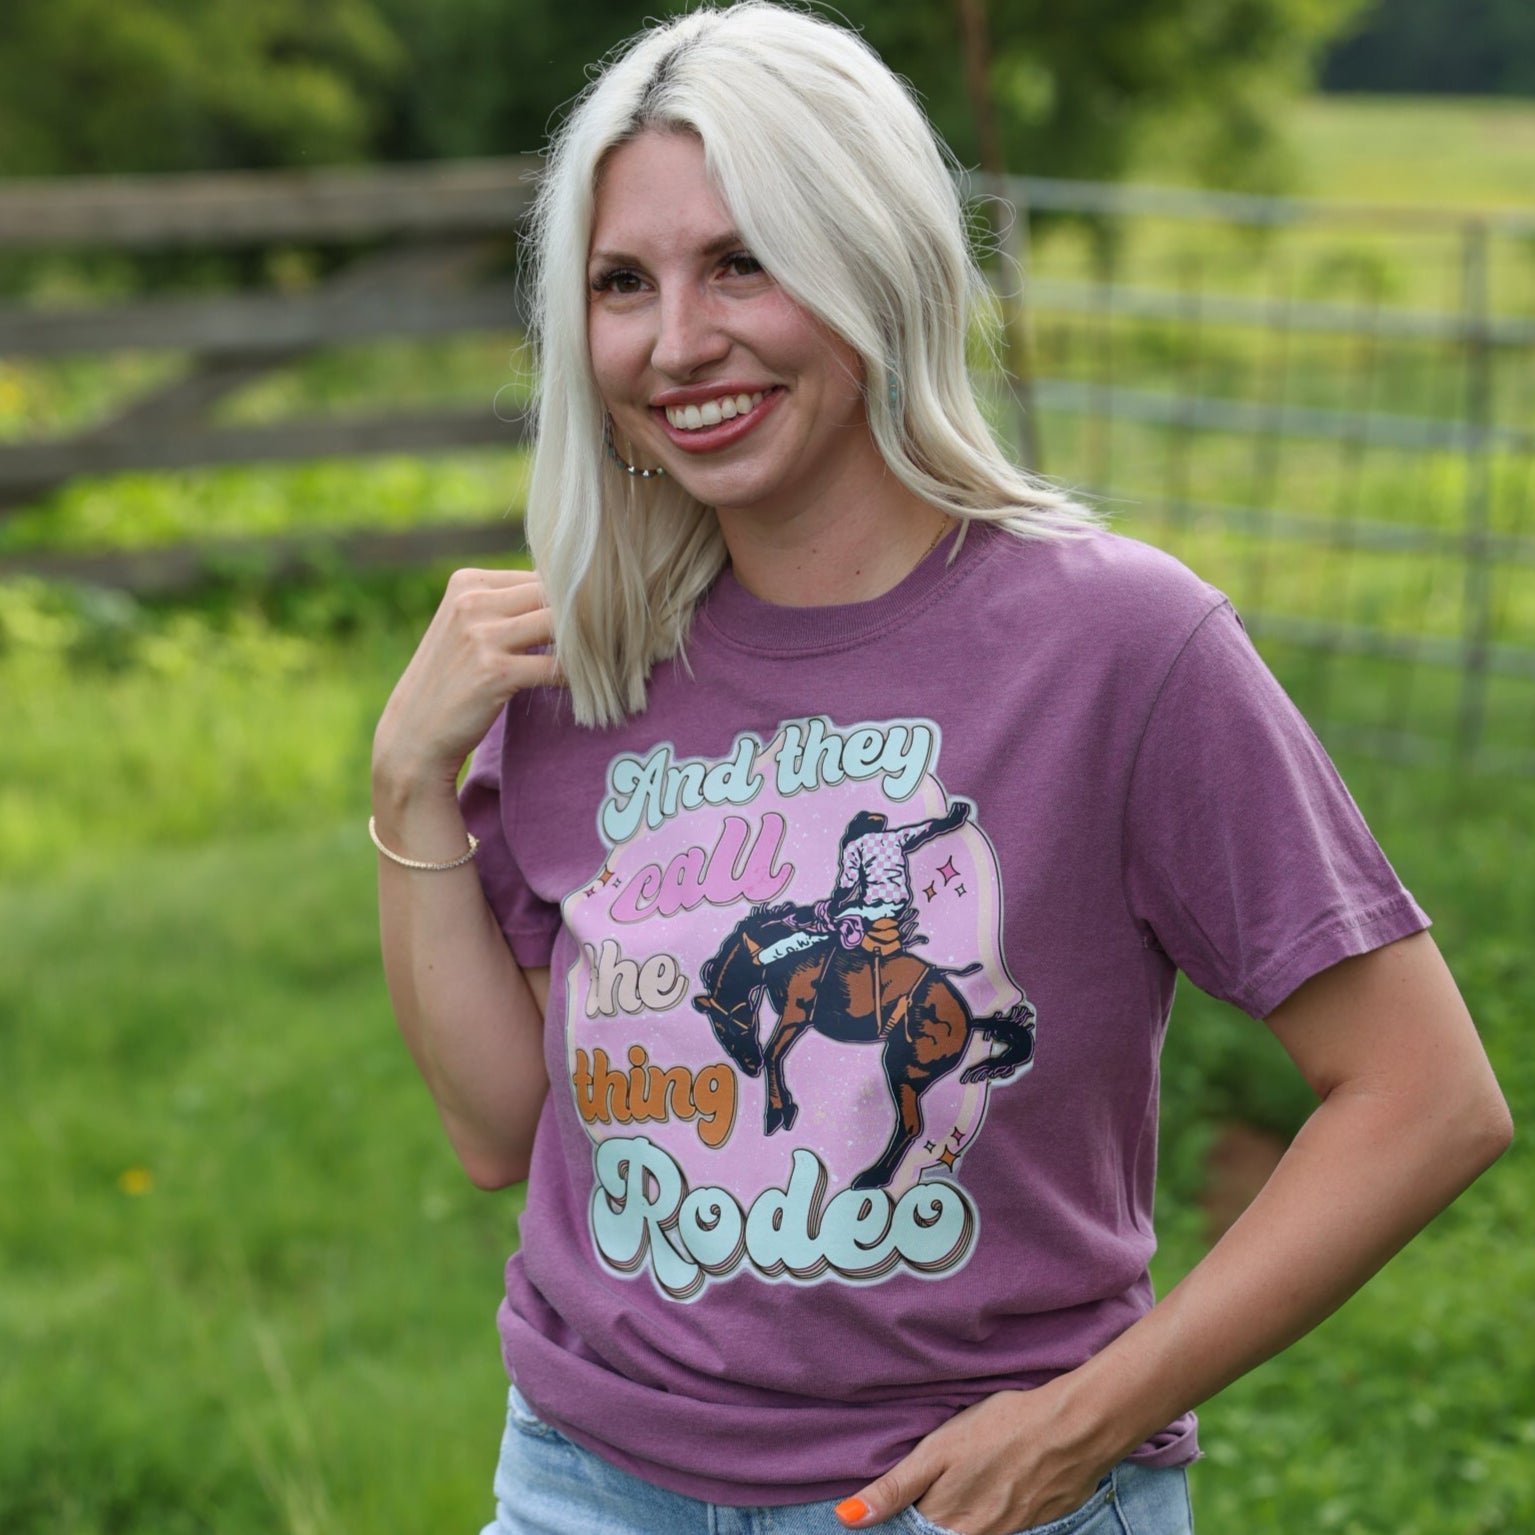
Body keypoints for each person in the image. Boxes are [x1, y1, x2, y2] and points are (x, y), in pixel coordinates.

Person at [368, 5, 1512, 1533]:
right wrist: (407, 783)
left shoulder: (1117, 643)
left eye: (743, 263)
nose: (678, 342)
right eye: (622, 283)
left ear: (872, 264)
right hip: (584, 1483)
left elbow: (1426, 1098)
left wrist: (1087, 1421)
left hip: (967, 1502)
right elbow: (495, 1130)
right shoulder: (589, 660)